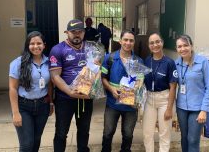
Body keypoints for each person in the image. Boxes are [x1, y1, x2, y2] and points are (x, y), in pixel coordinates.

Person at [49, 19, 92, 152]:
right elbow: (55, 76)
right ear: (67, 33)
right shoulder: (58, 49)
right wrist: (69, 92)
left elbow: (96, 71)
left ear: (84, 33)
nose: (77, 34)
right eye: (73, 32)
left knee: (84, 131)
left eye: (80, 31)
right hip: (64, 99)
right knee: (61, 132)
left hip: (85, 98)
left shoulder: (91, 49)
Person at [9, 31, 54, 152]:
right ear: (27, 45)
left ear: (44, 45)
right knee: (27, 144)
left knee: (36, 140)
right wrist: (15, 113)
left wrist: (50, 102)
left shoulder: (49, 62)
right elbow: (13, 88)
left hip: (42, 106)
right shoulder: (18, 63)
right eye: (32, 43)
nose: (35, 46)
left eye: (39, 43)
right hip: (23, 106)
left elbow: (50, 85)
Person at [101, 30, 143, 152]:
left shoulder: (138, 61)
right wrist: (111, 89)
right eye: (125, 40)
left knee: (128, 134)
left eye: (131, 40)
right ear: (120, 41)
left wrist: (137, 87)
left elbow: (140, 80)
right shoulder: (110, 58)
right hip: (112, 103)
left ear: (134, 42)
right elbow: (103, 78)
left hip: (130, 106)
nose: (128, 43)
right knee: (108, 132)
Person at [175, 35, 209, 152]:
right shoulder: (176, 64)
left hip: (198, 108)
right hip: (181, 107)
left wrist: (204, 110)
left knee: (193, 139)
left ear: (191, 46)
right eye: (179, 46)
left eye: (185, 45)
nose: (183, 49)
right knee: (184, 138)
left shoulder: (203, 62)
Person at [142, 33, 178, 152]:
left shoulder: (169, 62)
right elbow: (141, 80)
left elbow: (173, 87)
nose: (155, 45)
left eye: (157, 42)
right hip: (149, 99)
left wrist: (169, 108)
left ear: (162, 43)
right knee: (147, 132)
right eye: (152, 43)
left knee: (164, 133)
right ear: (149, 46)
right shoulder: (147, 61)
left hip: (164, 100)